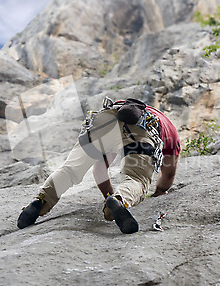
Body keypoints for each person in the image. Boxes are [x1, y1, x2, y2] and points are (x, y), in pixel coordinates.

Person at [17, 97, 180, 234]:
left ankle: (40, 201)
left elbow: (100, 170)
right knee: (136, 178)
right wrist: (159, 192)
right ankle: (120, 199)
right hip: (142, 126)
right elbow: (168, 174)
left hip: (103, 119)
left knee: (69, 170)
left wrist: (107, 196)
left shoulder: (128, 115)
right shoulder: (171, 133)